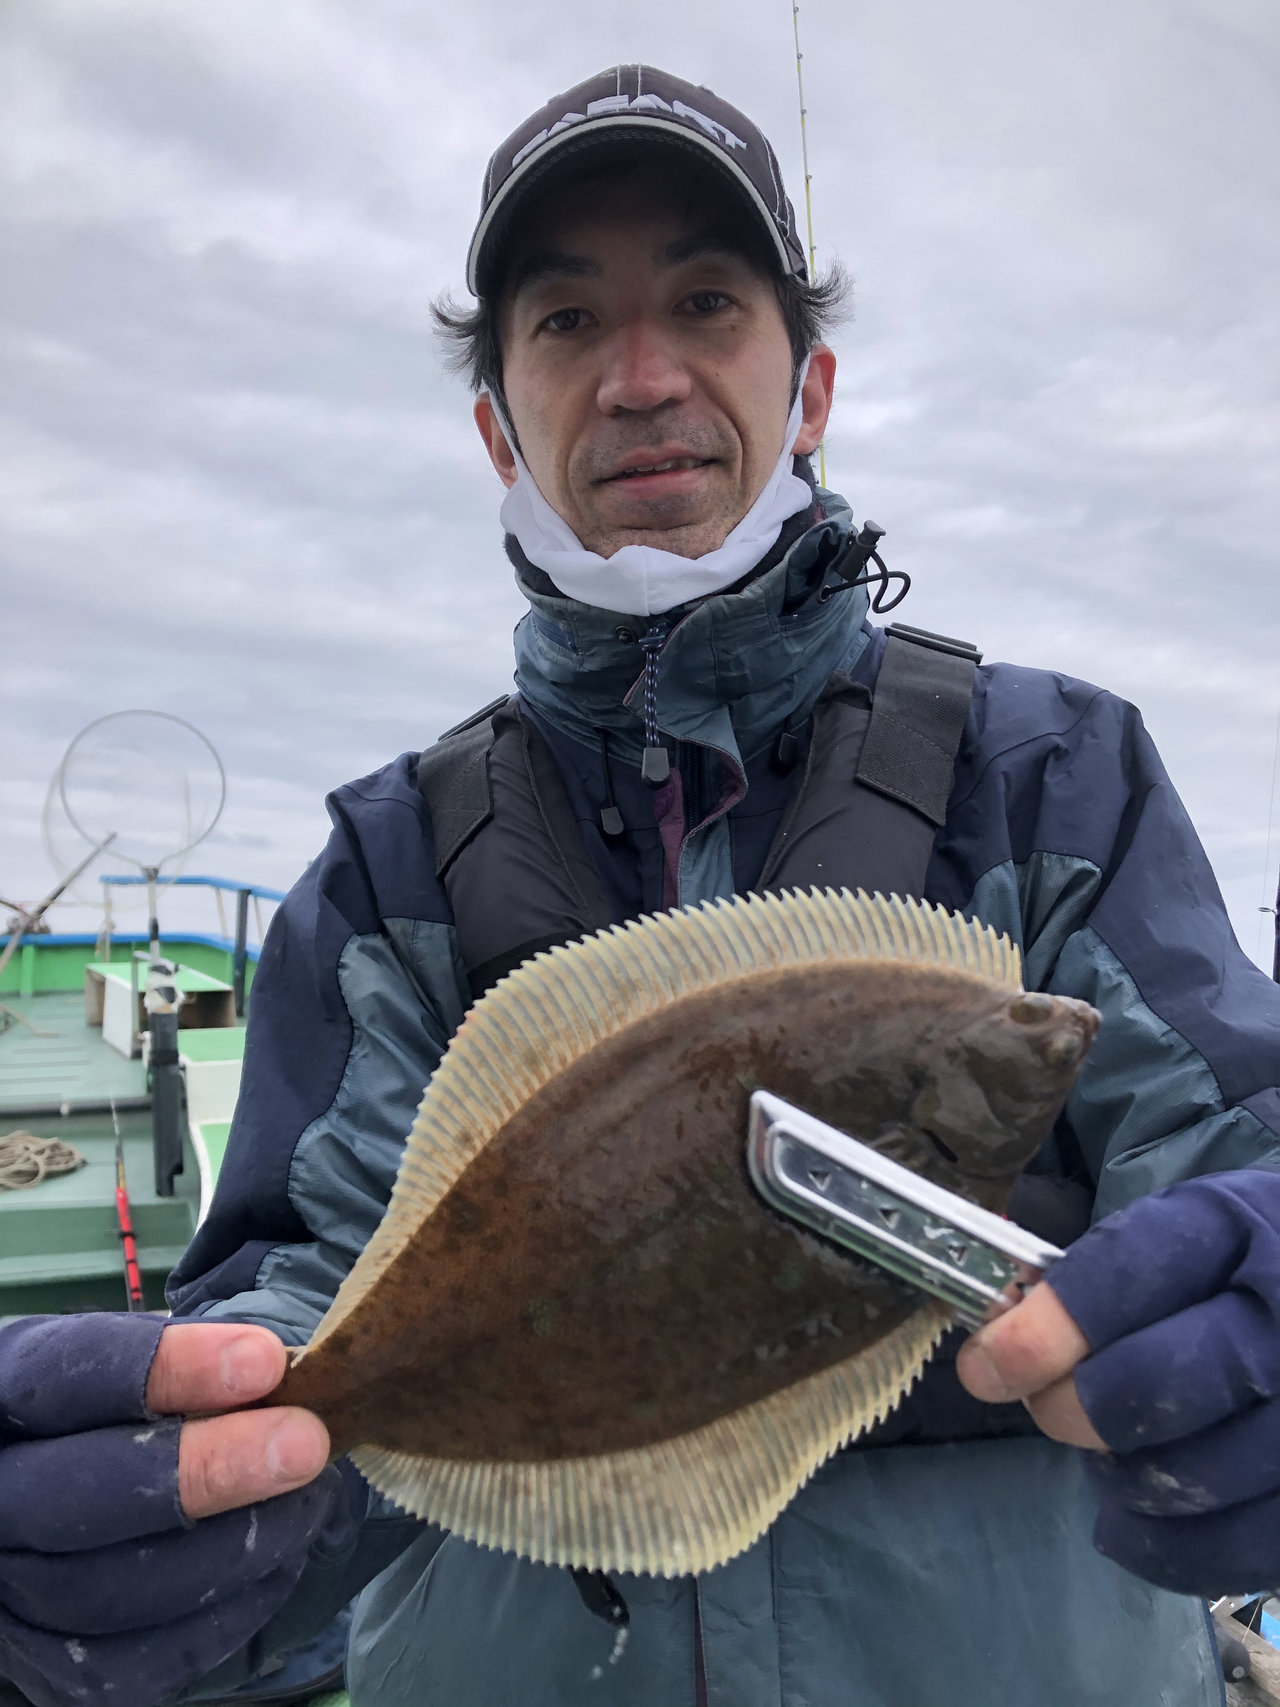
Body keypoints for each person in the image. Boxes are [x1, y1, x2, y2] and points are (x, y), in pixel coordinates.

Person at [3, 64, 1279, 1707]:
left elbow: (1236, 1146)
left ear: (808, 387)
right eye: (564, 323)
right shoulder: (395, 860)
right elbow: (294, 1322)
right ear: (497, 426)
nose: (643, 377)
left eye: (703, 300)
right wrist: (167, 1525)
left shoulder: (1051, 774)